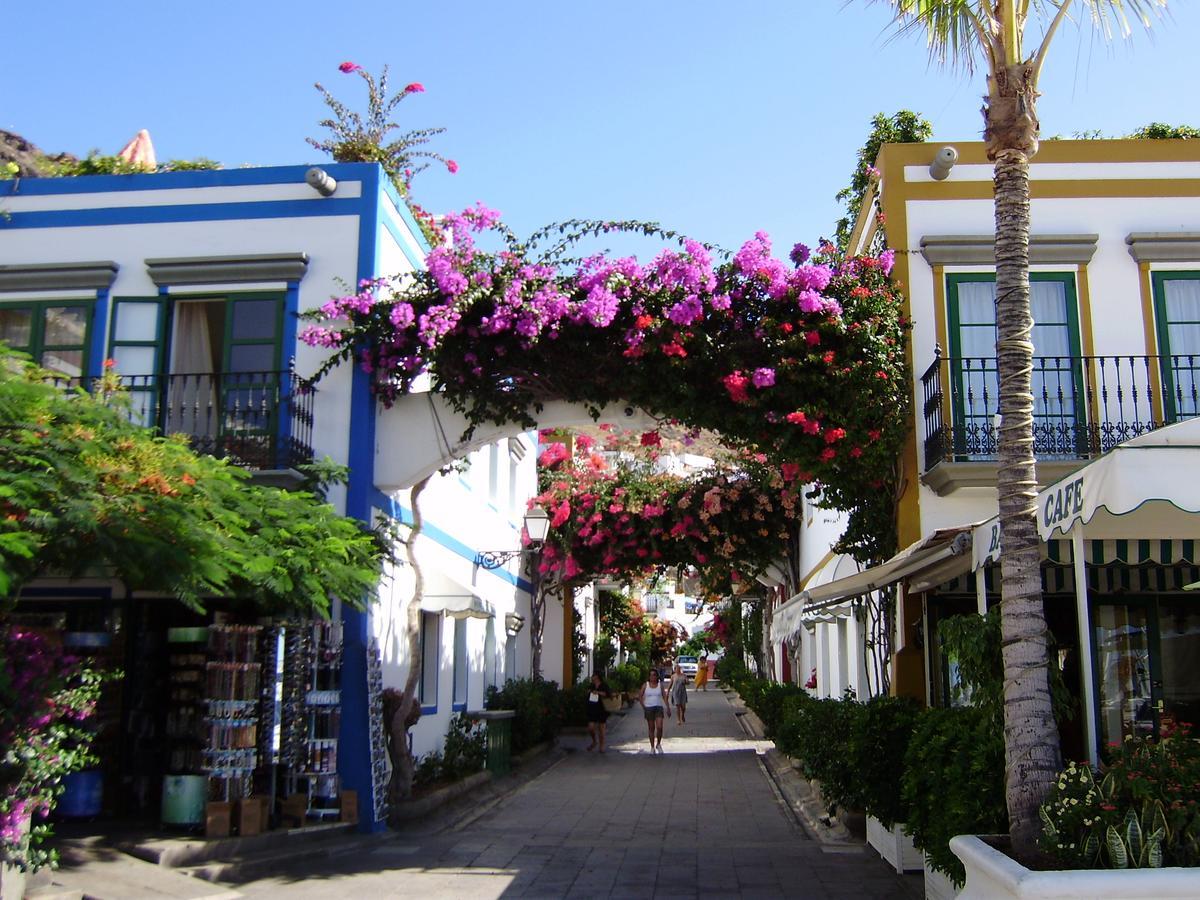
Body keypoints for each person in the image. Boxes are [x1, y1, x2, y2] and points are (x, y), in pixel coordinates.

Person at [638, 667, 671, 753]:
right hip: (649, 708)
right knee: (651, 728)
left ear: (657, 676)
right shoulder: (646, 685)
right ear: (649, 677)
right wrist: (643, 706)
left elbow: (664, 696)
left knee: (659, 727)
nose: (653, 677)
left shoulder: (660, 685)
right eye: (651, 675)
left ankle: (658, 744)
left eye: (654, 675)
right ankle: (652, 747)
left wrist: (668, 707)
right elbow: (640, 696)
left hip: (658, 707)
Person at [585, 672, 612, 753]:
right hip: (592, 708)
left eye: (593, 676)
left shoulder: (604, 685)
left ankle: (602, 746)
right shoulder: (591, 685)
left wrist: (598, 693)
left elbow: (608, 694)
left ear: (597, 677)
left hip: (601, 709)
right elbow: (587, 693)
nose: (592, 677)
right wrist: (589, 692)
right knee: (591, 727)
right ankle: (594, 741)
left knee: (601, 729)